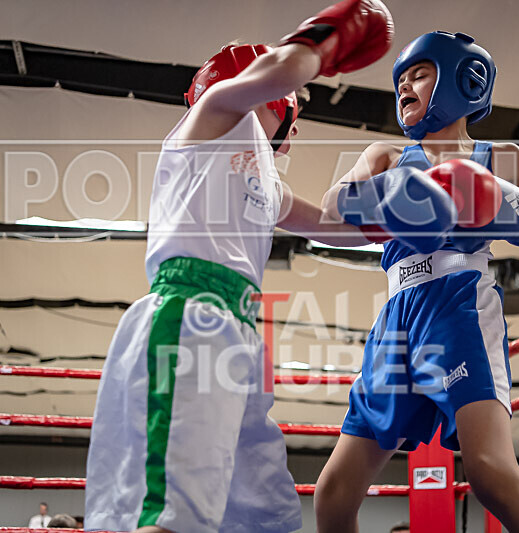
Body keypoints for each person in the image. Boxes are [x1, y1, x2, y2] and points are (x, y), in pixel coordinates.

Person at [83, 1, 400, 532]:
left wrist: (407, 213)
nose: (295, 124)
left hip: (240, 332)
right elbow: (280, 72)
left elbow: (329, 223)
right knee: (176, 510)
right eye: (294, 108)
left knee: (263, 513)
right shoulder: (210, 118)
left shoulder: (267, 182)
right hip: (186, 314)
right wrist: (324, 42)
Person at [316, 32, 519, 533]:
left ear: (465, 81)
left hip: (459, 306)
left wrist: (510, 206)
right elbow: (334, 209)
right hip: (397, 319)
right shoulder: (386, 156)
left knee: (489, 471)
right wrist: (390, 196)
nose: (404, 87)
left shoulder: (500, 156)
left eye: (418, 74)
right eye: (399, 80)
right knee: (332, 495)